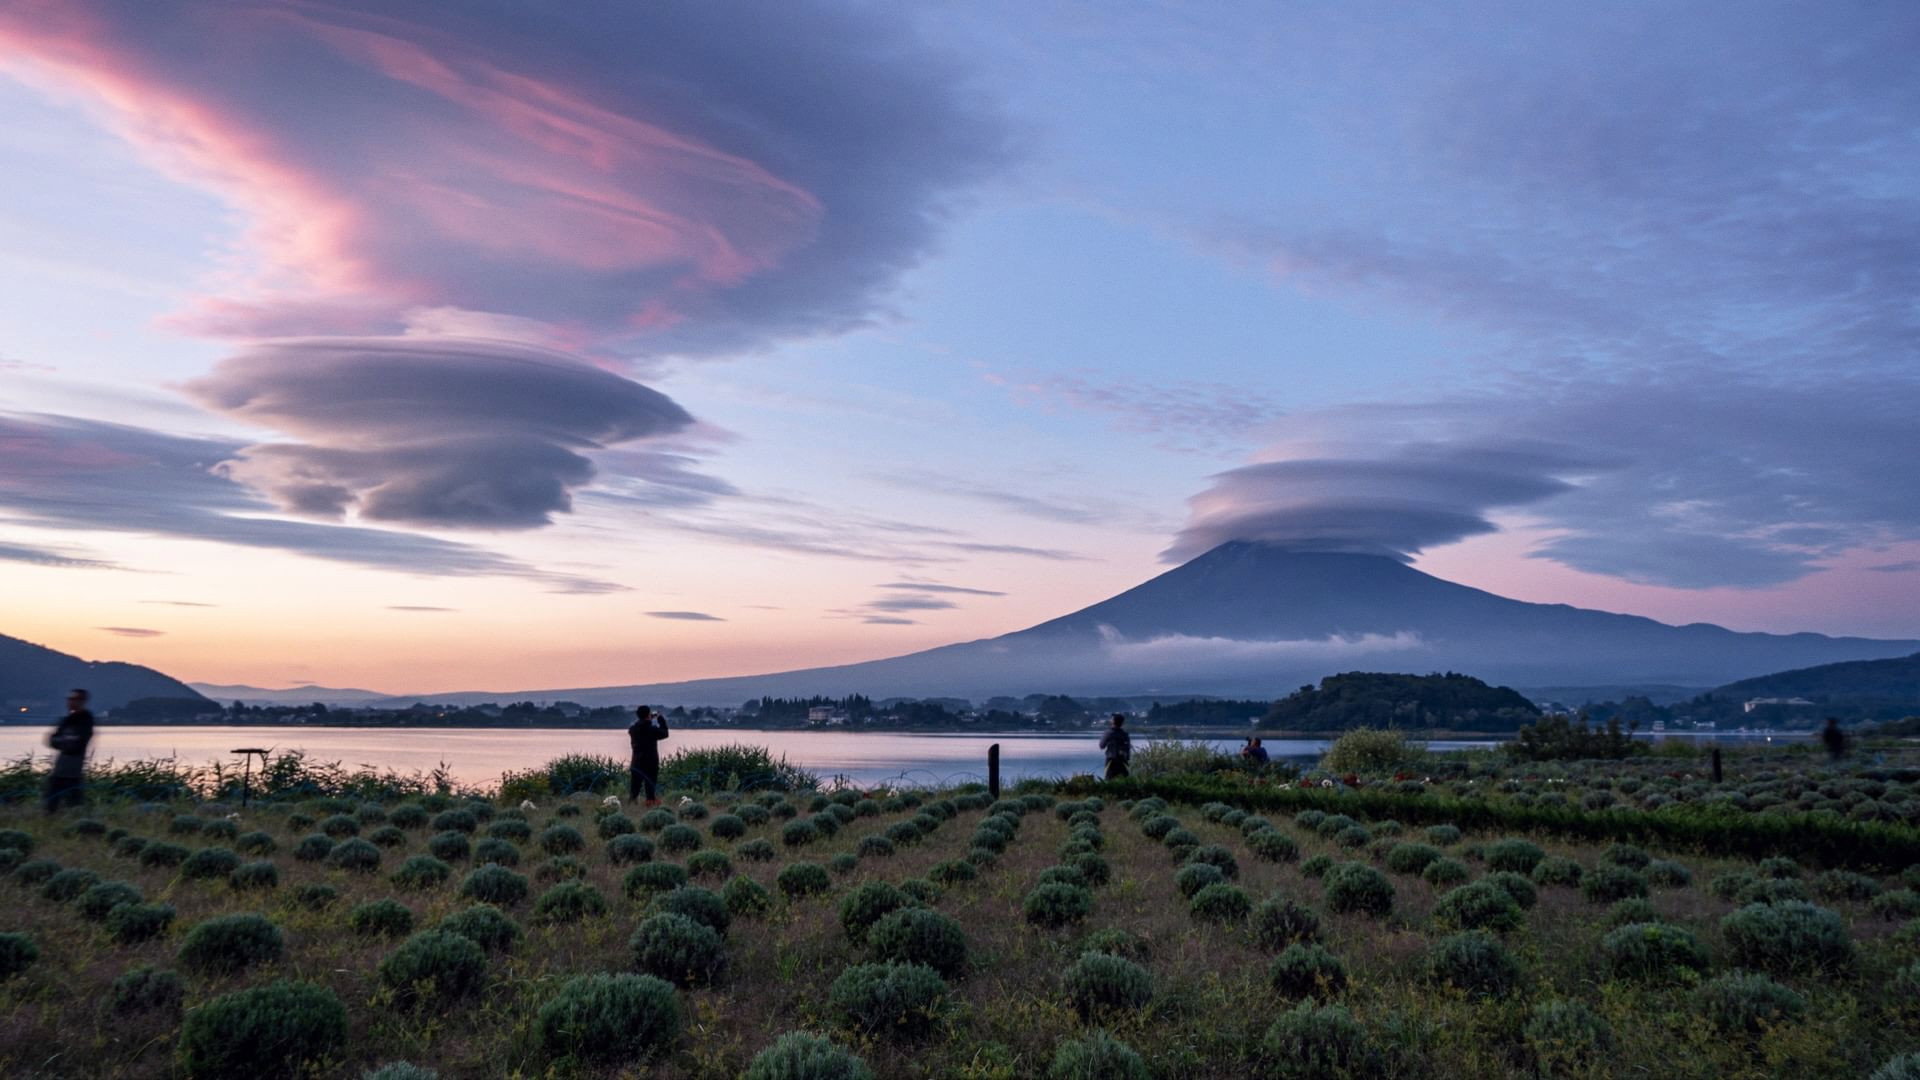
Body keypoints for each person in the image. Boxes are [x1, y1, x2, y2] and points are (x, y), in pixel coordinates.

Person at [44, 688, 93, 814]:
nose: (70, 702)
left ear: (82, 701)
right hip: (60, 766)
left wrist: (64, 741)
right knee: (51, 799)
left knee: (74, 801)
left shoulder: (86, 719)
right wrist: (67, 741)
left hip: (74, 767)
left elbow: (78, 743)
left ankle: (80, 823)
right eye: (69, 699)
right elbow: (52, 740)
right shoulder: (67, 719)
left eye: (74, 699)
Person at [628, 704, 670, 805]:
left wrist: (646, 719)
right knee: (650, 788)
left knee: (634, 788)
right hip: (650, 763)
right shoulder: (652, 729)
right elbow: (665, 733)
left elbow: (638, 725)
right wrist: (660, 718)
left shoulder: (633, 729)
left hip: (636, 762)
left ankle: (631, 806)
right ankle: (650, 805)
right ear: (648, 715)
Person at [1098, 713, 1132, 780]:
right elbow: (1128, 748)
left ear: (1113, 721)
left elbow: (1101, 746)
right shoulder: (1125, 734)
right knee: (1124, 781)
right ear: (1122, 723)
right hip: (1123, 761)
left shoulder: (1108, 733)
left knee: (1109, 781)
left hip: (1111, 761)